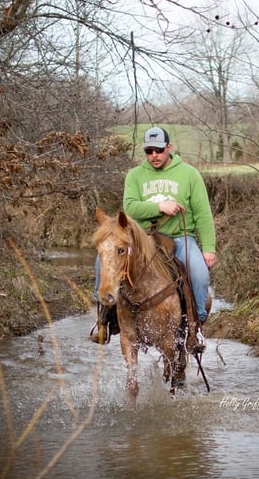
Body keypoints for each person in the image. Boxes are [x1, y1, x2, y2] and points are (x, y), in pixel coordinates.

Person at [91, 126, 217, 353]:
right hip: (143, 239)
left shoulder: (189, 174)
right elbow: (129, 208)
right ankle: (103, 320)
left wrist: (208, 248)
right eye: (149, 151)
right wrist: (160, 206)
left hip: (179, 237)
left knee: (199, 274)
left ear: (169, 148)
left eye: (158, 150)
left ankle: (195, 325)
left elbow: (203, 214)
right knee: (102, 261)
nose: (154, 156)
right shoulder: (135, 175)